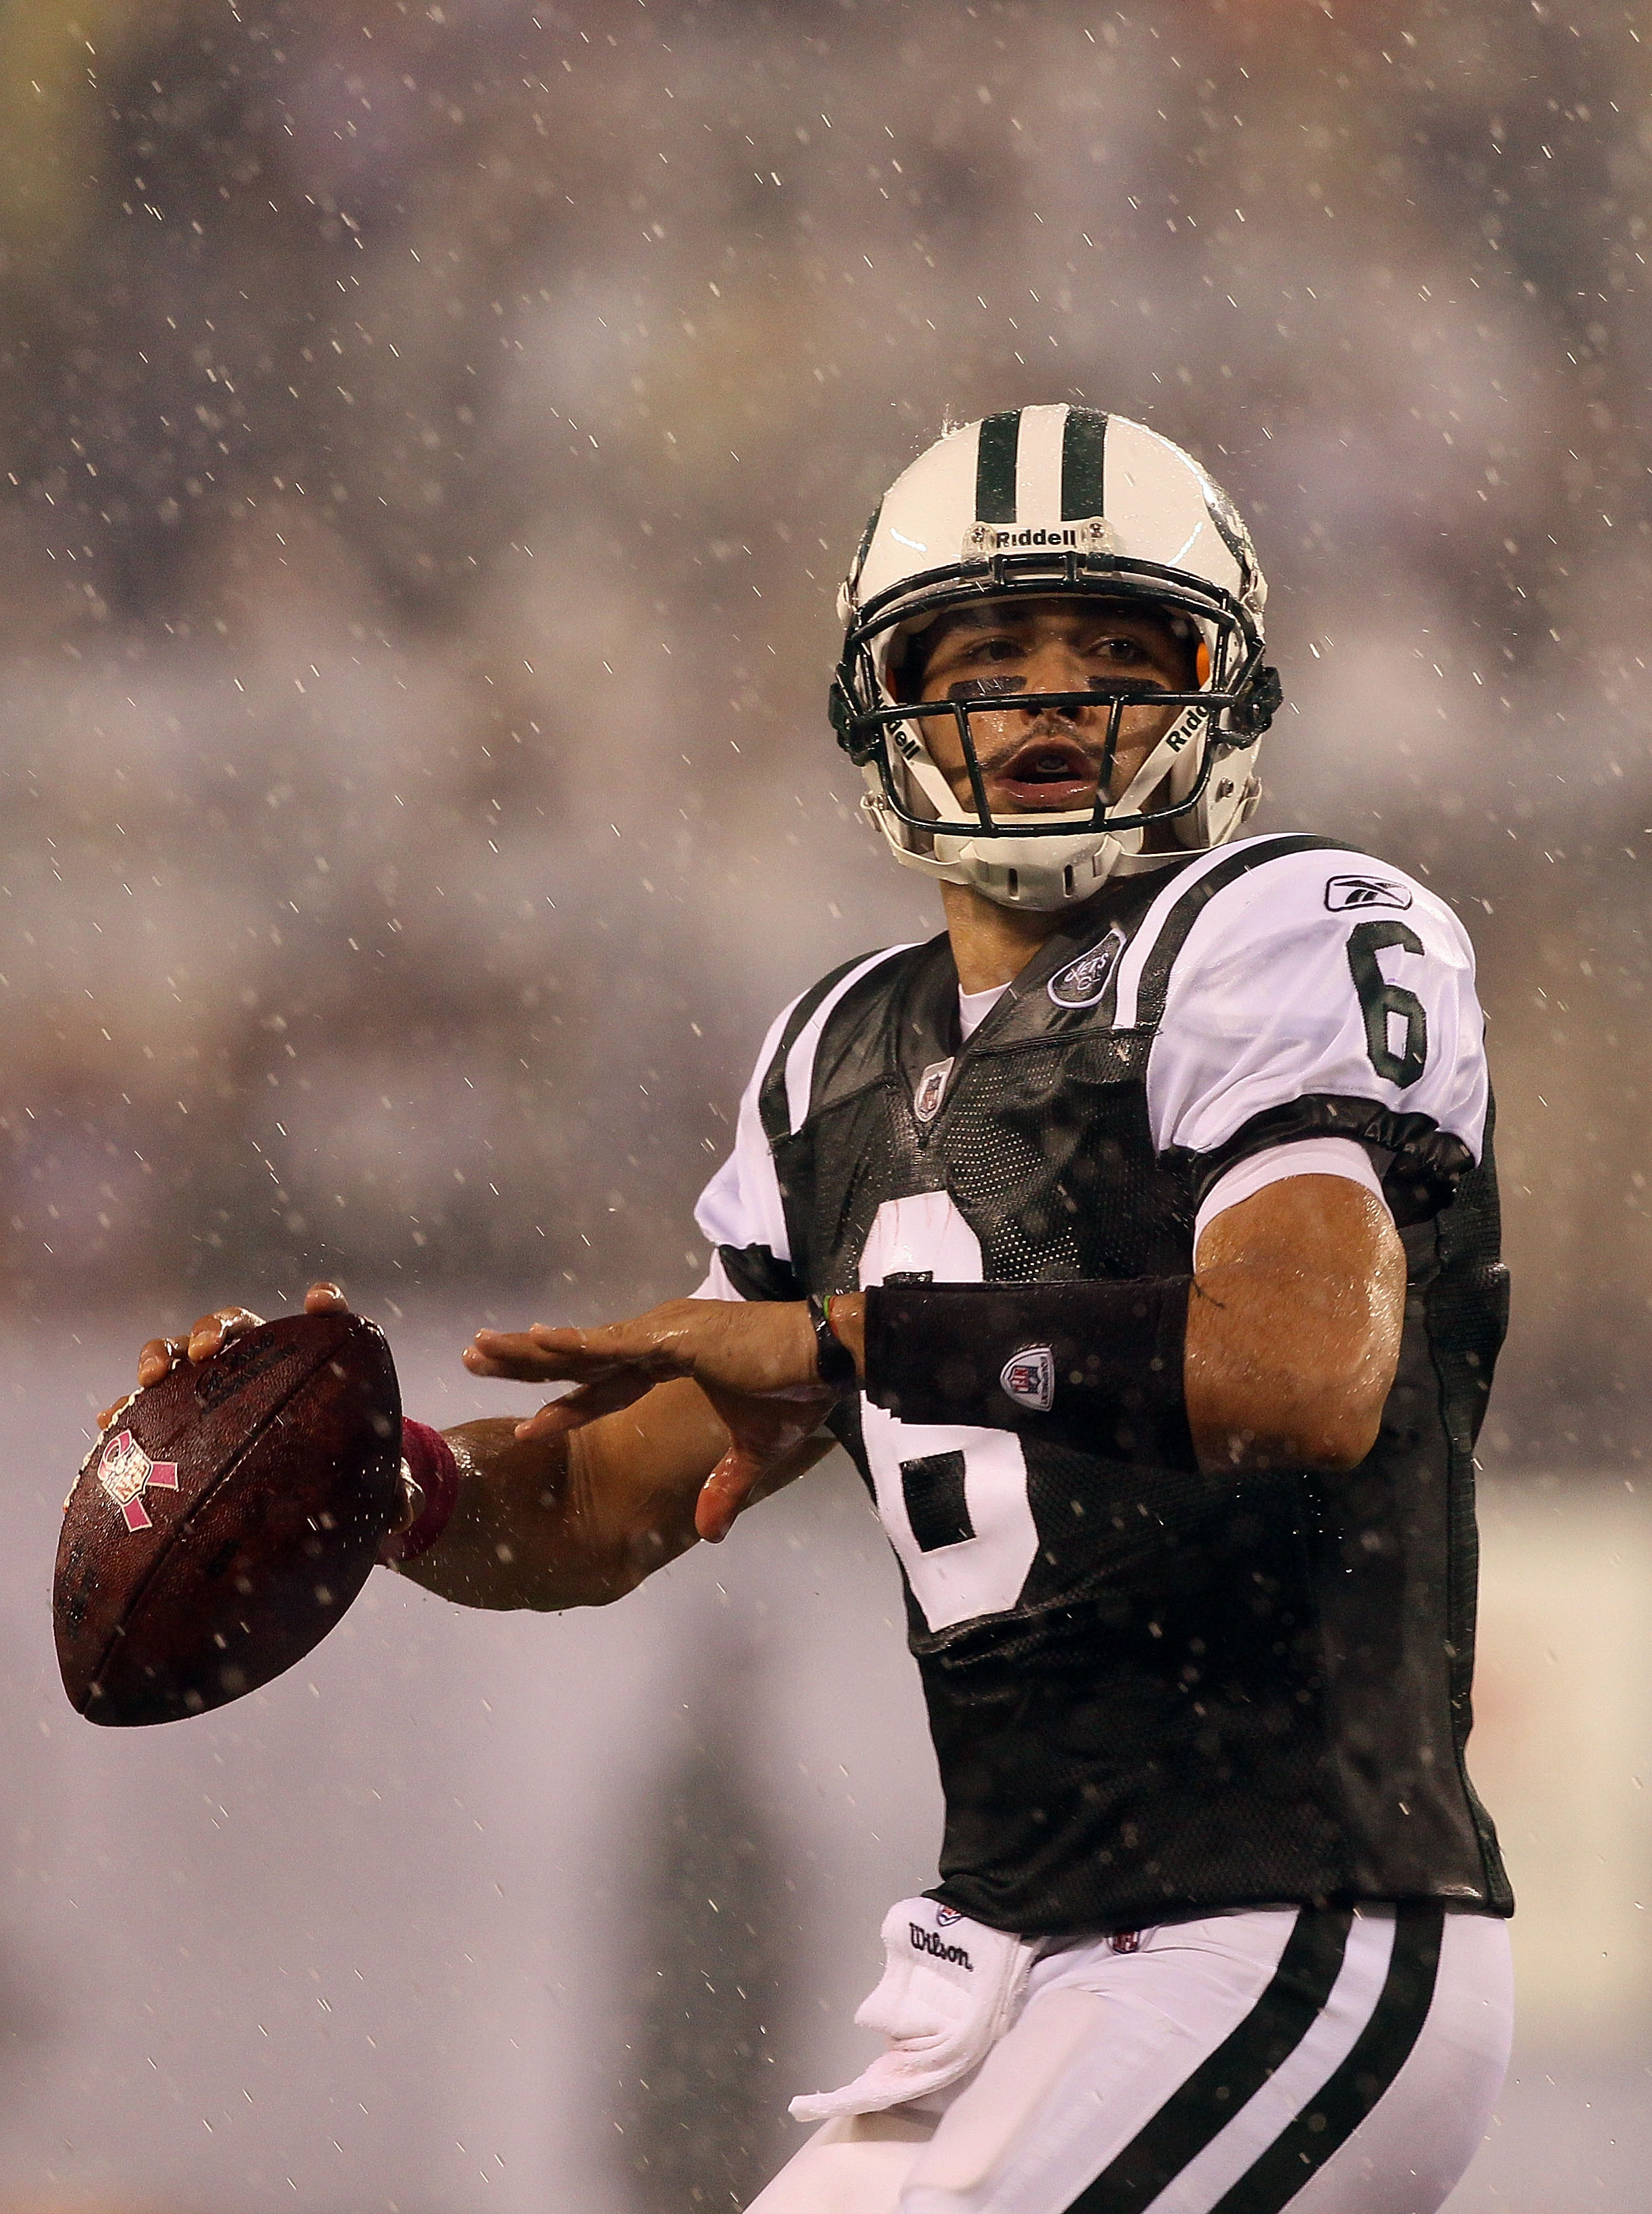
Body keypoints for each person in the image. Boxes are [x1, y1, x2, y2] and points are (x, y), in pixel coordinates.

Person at [117, 406, 1514, 2213]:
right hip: (1008, 1964)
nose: (1044, 707)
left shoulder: (1275, 932)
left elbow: (1304, 1368)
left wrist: (847, 1341)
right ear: (882, 704)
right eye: (985, 658)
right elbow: (608, 1504)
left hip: (1286, 1926)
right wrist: (366, 1487)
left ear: (1218, 695)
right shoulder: (835, 1061)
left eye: (1113, 654)